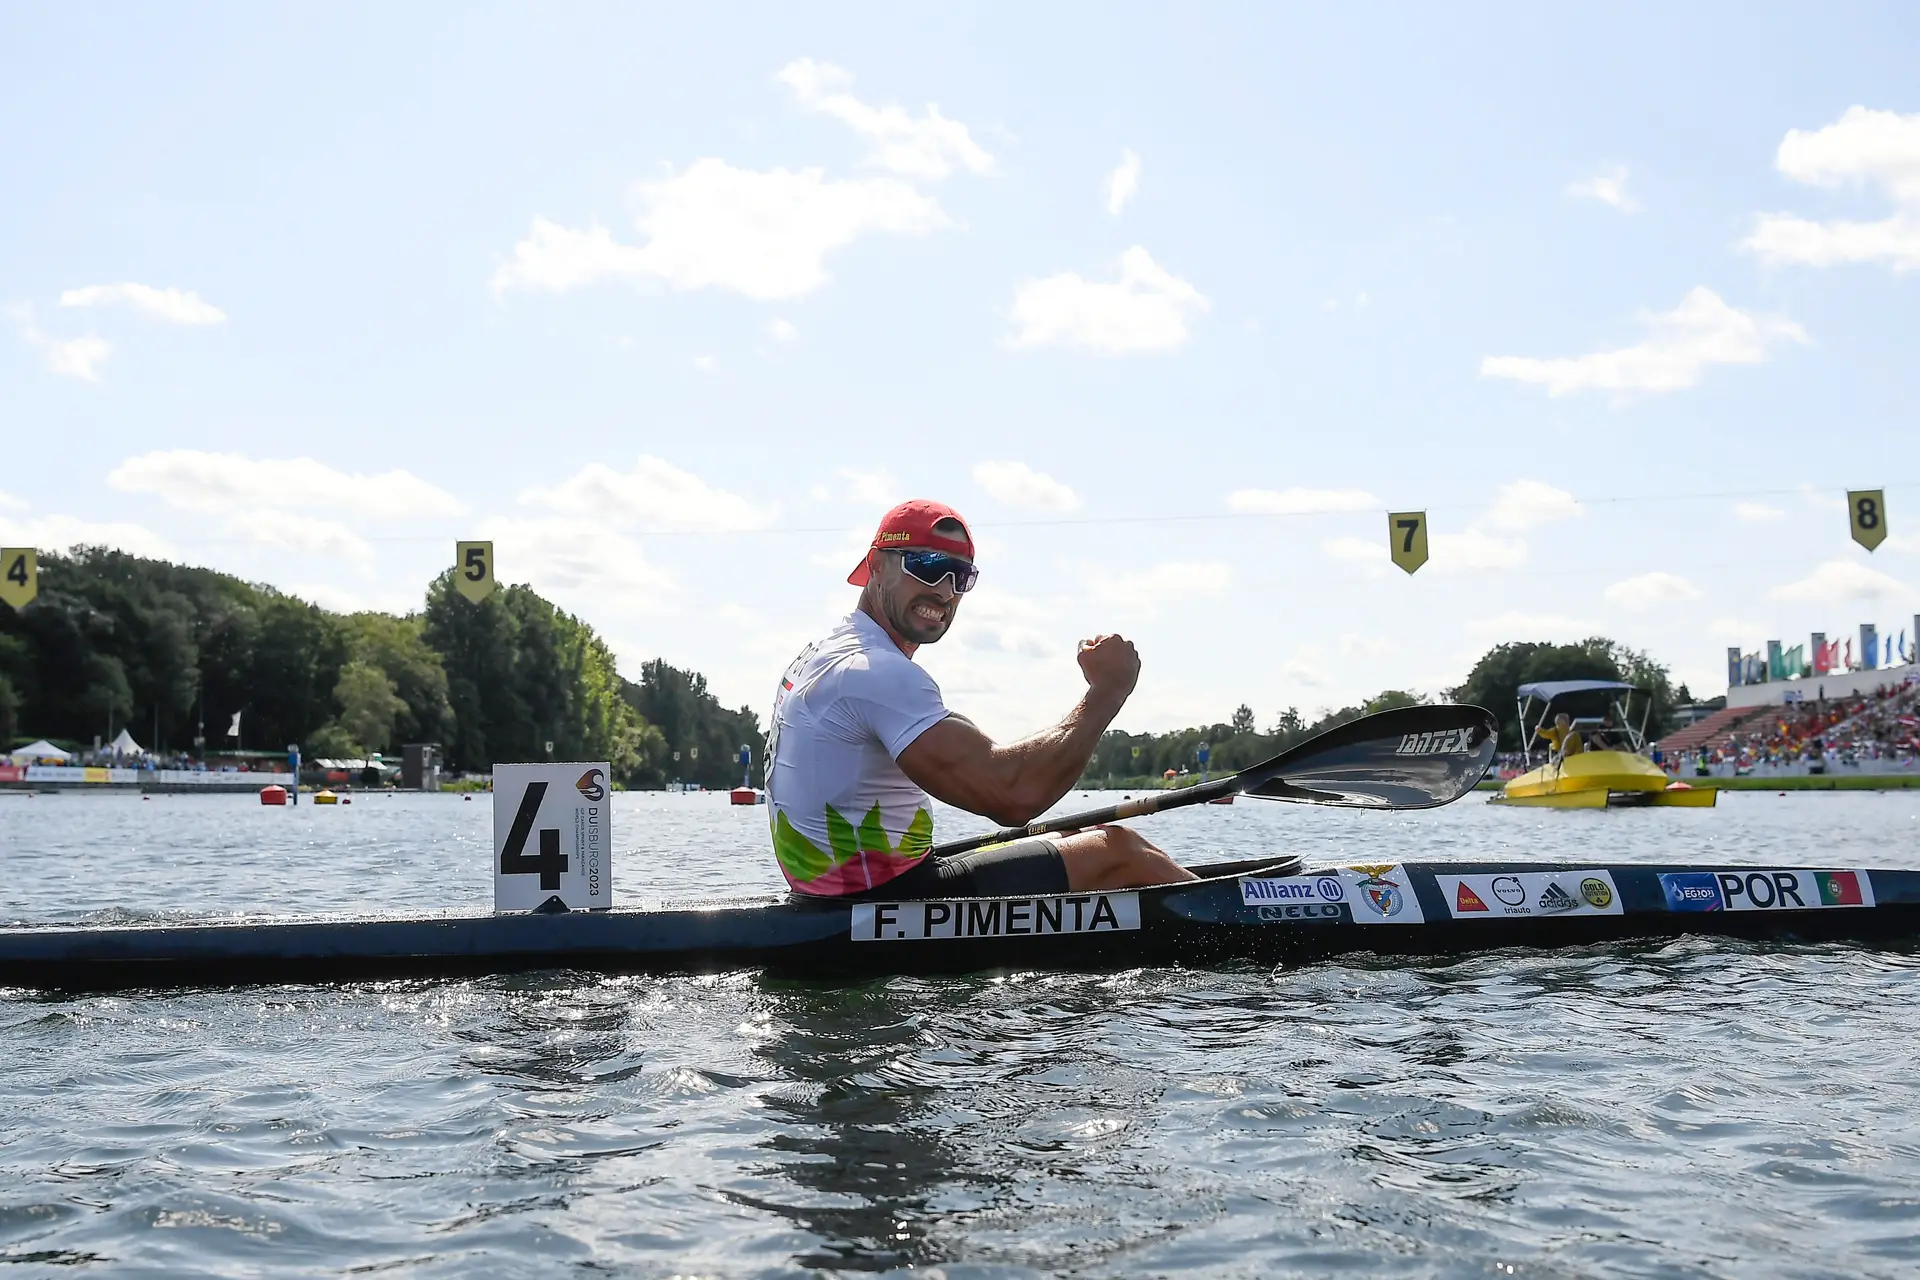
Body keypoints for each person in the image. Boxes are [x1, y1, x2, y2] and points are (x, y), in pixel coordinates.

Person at [766, 498, 1196, 900]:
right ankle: (1250, 916)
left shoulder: (826, 652)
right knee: (1118, 850)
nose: (945, 590)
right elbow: (1013, 796)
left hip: (842, 892)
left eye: (961, 576)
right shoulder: (876, 672)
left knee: (1074, 836)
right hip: (883, 898)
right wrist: (1108, 691)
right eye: (928, 566)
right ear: (877, 566)